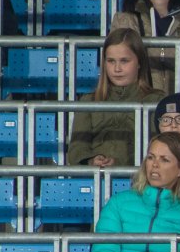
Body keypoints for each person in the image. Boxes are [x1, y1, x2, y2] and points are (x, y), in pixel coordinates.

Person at [66, 28, 167, 167]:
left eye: (124, 61)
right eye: (111, 61)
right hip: (97, 177)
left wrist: (121, 163)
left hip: (141, 176)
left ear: (139, 62)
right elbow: (76, 150)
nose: (117, 69)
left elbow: (163, 150)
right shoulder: (89, 101)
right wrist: (91, 160)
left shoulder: (156, 100)